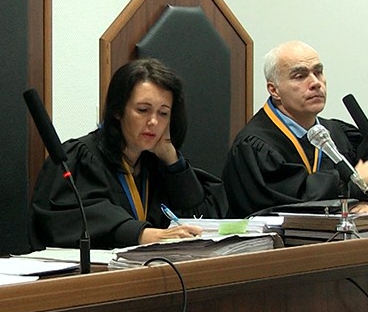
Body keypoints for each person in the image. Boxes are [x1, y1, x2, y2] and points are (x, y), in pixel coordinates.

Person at [30, 58, 227, 249]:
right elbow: (73, 220)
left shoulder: (156, 164)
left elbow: (202, 218)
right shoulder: (81, 158)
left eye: (163, 113)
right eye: (143, 110)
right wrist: (142, 234)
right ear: (118, 111)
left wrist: (172, 161)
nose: (154, 121)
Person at [222, 41, 368, 217]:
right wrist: (354, 182)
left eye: (318, 72)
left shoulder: (340, 134)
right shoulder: (254, 146)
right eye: (300, 76)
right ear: (274, 90)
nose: (315, 83)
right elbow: (285, 207)